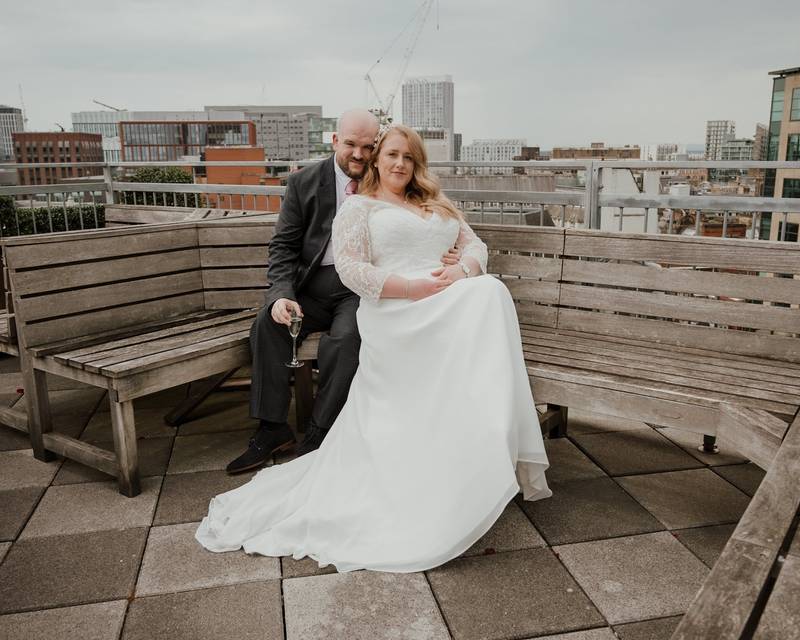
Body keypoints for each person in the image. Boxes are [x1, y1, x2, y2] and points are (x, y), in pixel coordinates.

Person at [196, 124, 551, 573]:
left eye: (409, 157)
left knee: (488, 290)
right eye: (392, 155)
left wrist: (463, 269)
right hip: (396, 306)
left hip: (444, 298)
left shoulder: (435, 204)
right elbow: (350, 269)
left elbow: (475, 244)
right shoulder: (359, 207)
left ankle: (480, 442)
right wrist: (412, 288)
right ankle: (281, 431)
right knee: (490, 295)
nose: (400, 164)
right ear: (378, 160)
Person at [226, 109, 461, 473]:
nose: (359, 154)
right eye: (351, 144)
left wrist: (449, 250)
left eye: (368, 147)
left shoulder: (384, 174)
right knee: (267, 325)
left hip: (360, 287)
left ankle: (320, 432)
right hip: (312, 286)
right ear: (335, 141)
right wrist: (282, 294)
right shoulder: (305, 182)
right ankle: (272, 428)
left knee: (347, 338)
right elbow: (284, 246)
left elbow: (418, 221)